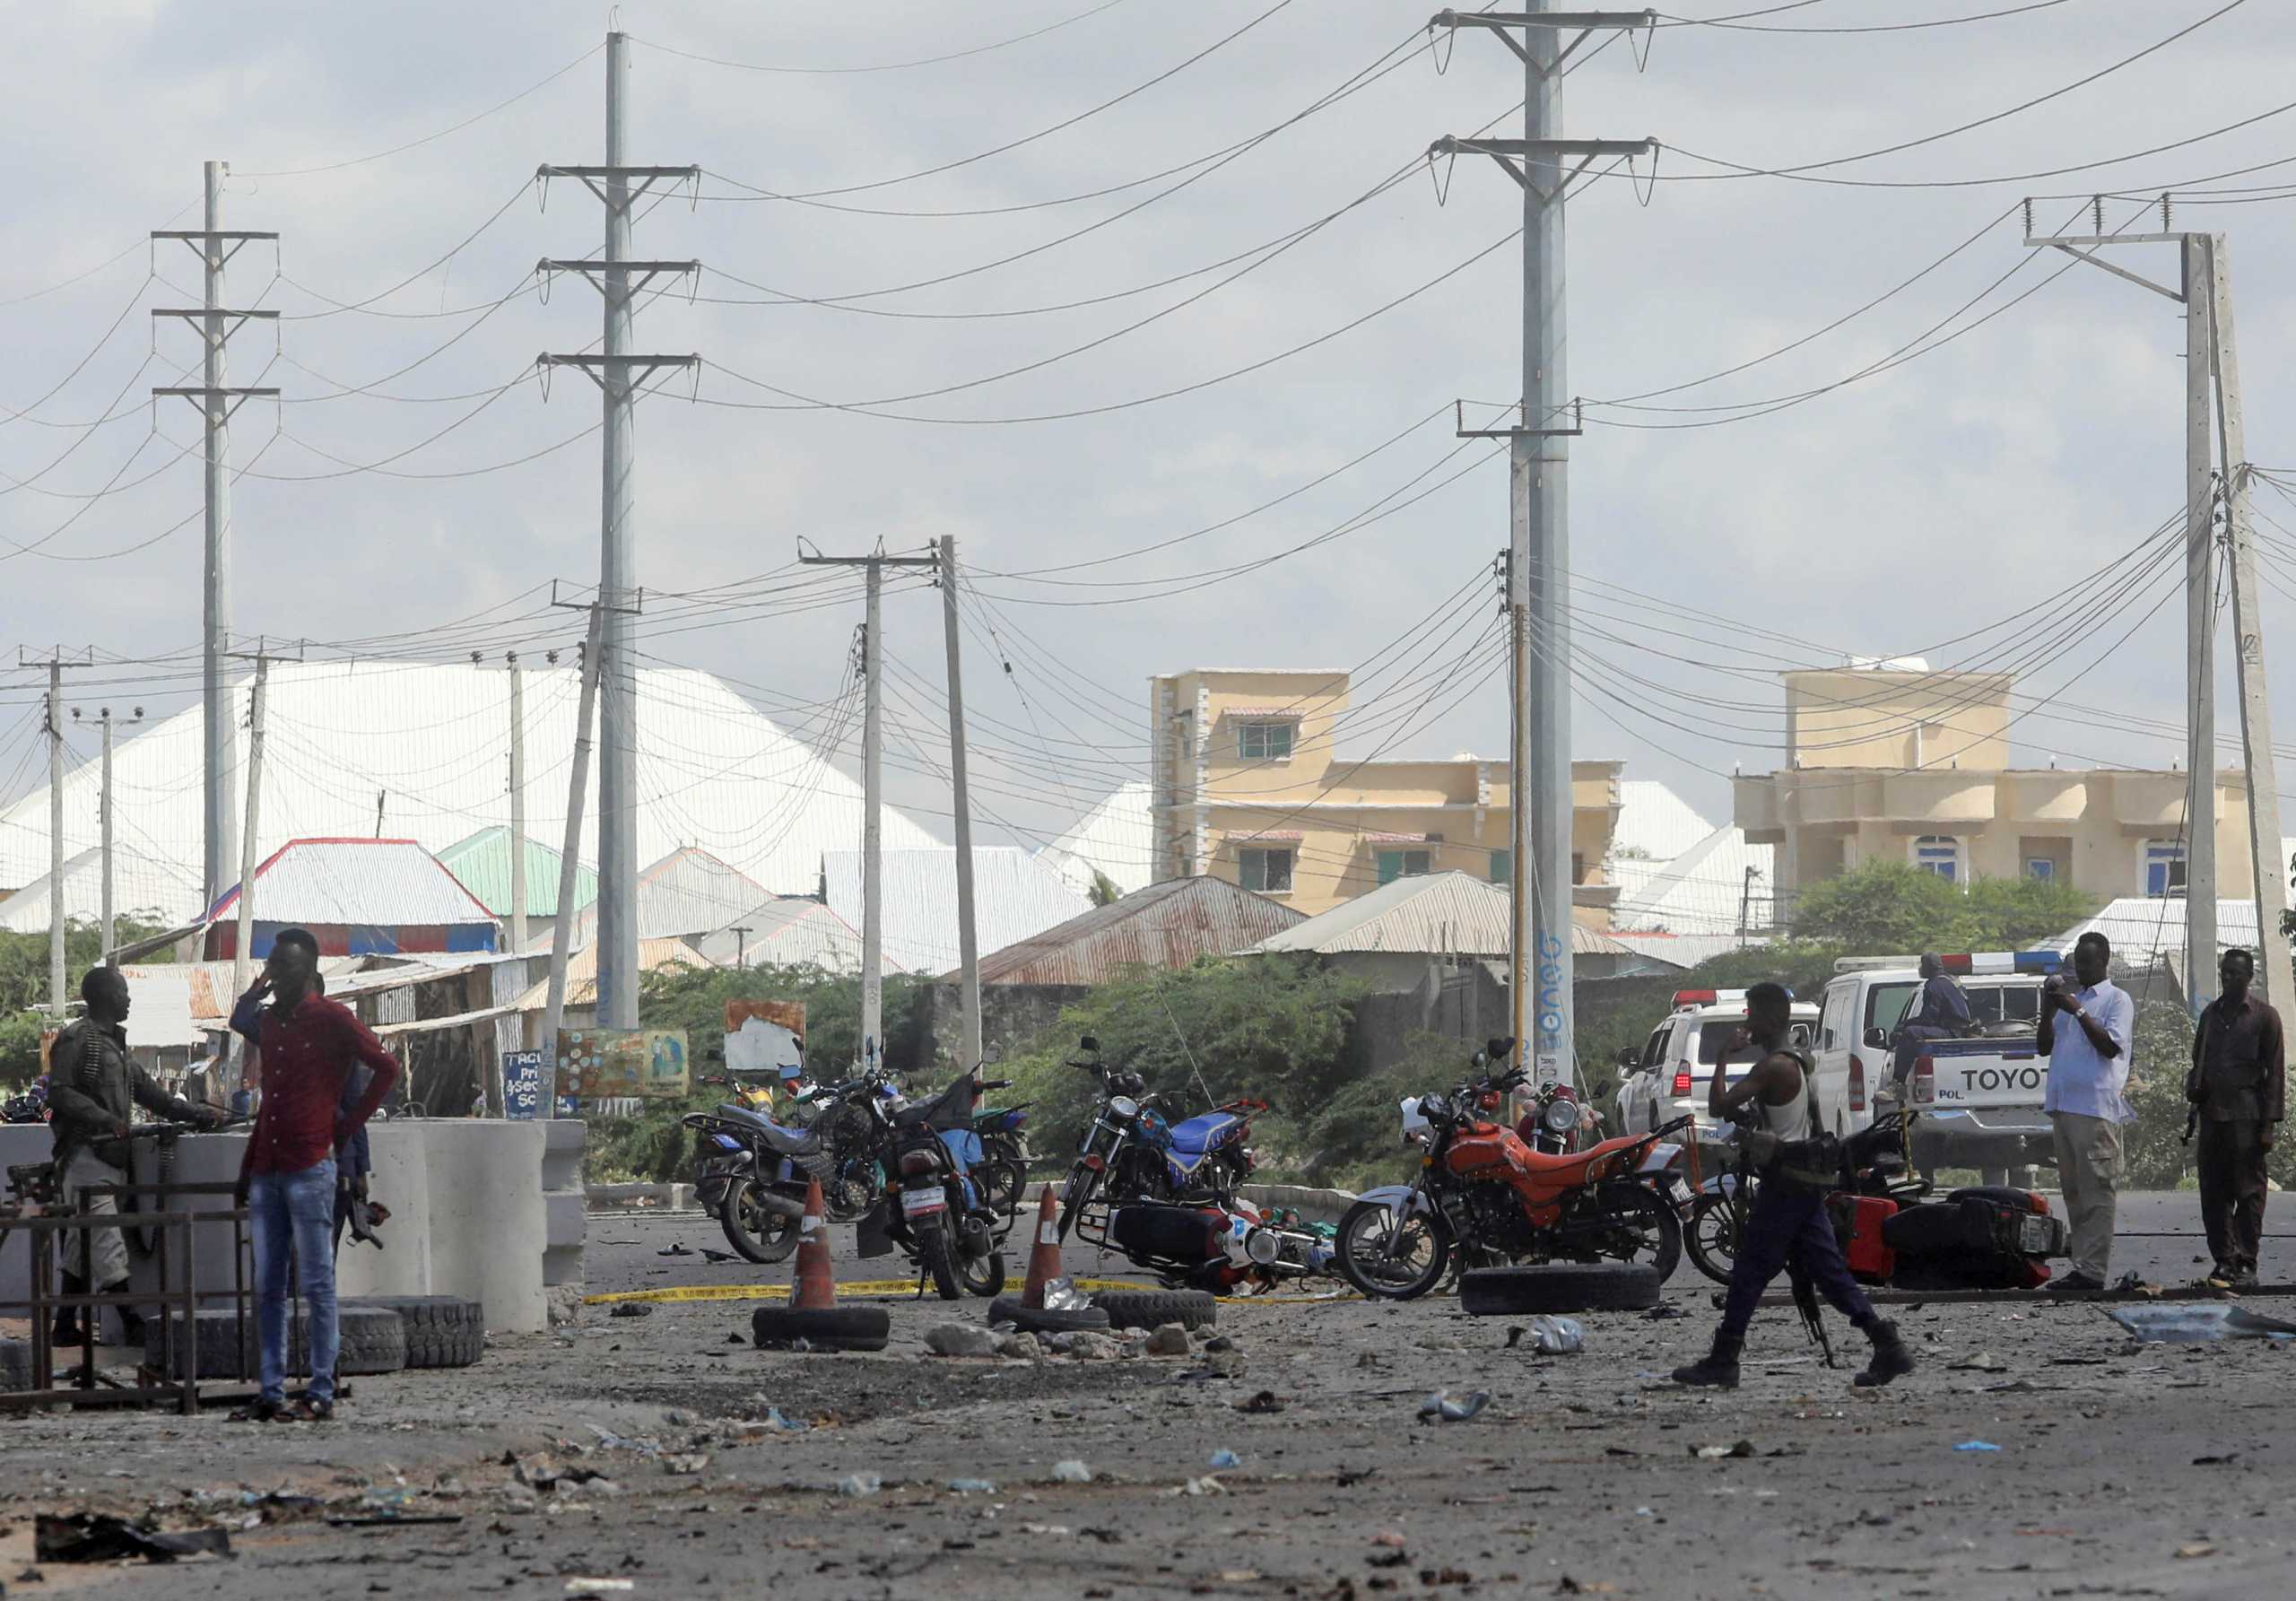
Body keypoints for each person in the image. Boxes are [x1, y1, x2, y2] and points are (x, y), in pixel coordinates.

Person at [1672, 982, 1916, 1390]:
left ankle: (1724, 1358)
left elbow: (1718, 1106)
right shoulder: (1800, 1062)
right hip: (1803, 1184)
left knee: (1750, 1271)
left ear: (1771, 1020)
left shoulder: (1773, 1067)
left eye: (1752, 1014)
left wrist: (1722, 1056)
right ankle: (1886, 1344)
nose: (1748, 1023)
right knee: (1829, 1273)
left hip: (1786, 1186)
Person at [230, 929, 400, 1422]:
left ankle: (321, 1389)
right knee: (268, 1284)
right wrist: (247, 1169)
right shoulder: (272, 1024)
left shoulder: (332, 1019)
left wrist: (344, 1130)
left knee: (316, 1282)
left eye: (283, 967)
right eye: (272, 966)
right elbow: (268, 1104)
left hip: (310, 1165)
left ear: (306, 971)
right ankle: (271, 1389)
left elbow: (386, 1069)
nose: (276, 974)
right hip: (269, 1166)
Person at [44, 967, 222, 1345]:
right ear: (107, 996)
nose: (128, 999)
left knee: (80, 1244)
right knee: (106, 1239)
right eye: (123, 992)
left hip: (108, 1158)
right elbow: (59, 1093)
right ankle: (131, 1321)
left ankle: (63, 1325)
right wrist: (105, 1118)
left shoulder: (116, 1048)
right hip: (85, 1155)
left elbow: (151, 1095)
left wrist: (197, 1113)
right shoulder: (78, 1040)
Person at [2039, 931, 2135, 1295]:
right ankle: (2082, 1267)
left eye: (2088, 961)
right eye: (2078, 961)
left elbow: (2110, 1047)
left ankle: (2093, 1271)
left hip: (2095, 1109)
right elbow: (2044, 1047)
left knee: (2097, 1190)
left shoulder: (2116, 1000)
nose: (2081, 968)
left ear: (2104, 960)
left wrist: (2078, 1011)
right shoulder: (2071, 1000)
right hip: (2064, 1107)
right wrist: (2050, 1009)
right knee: (2074, 1192)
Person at [2186, 947, 2283, 1293]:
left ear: (2249, 977)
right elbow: (2198, 1061)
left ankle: (2246, 1261)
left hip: (2247, 1116)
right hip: (2213, 1117)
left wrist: (2269, 1125)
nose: (2228, 979)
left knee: (2250, 1193)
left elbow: (2274, 1075)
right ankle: (2224, 1260)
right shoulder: (2210, 1016)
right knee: (2213, 1194)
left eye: (2235, 974)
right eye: (2224, 973)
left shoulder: (2265, 1017)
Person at [1891, 953, 1972, 1090]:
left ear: (1930, 967)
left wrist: (1905, 1025)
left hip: (1952, 1032)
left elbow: (1929, 1019)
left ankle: (1897, 1084)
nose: (1920, 968)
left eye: (1923, 965)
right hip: (1960, 1030)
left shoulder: (1934, 985)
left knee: (1910, 1032)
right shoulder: (1949, 981)